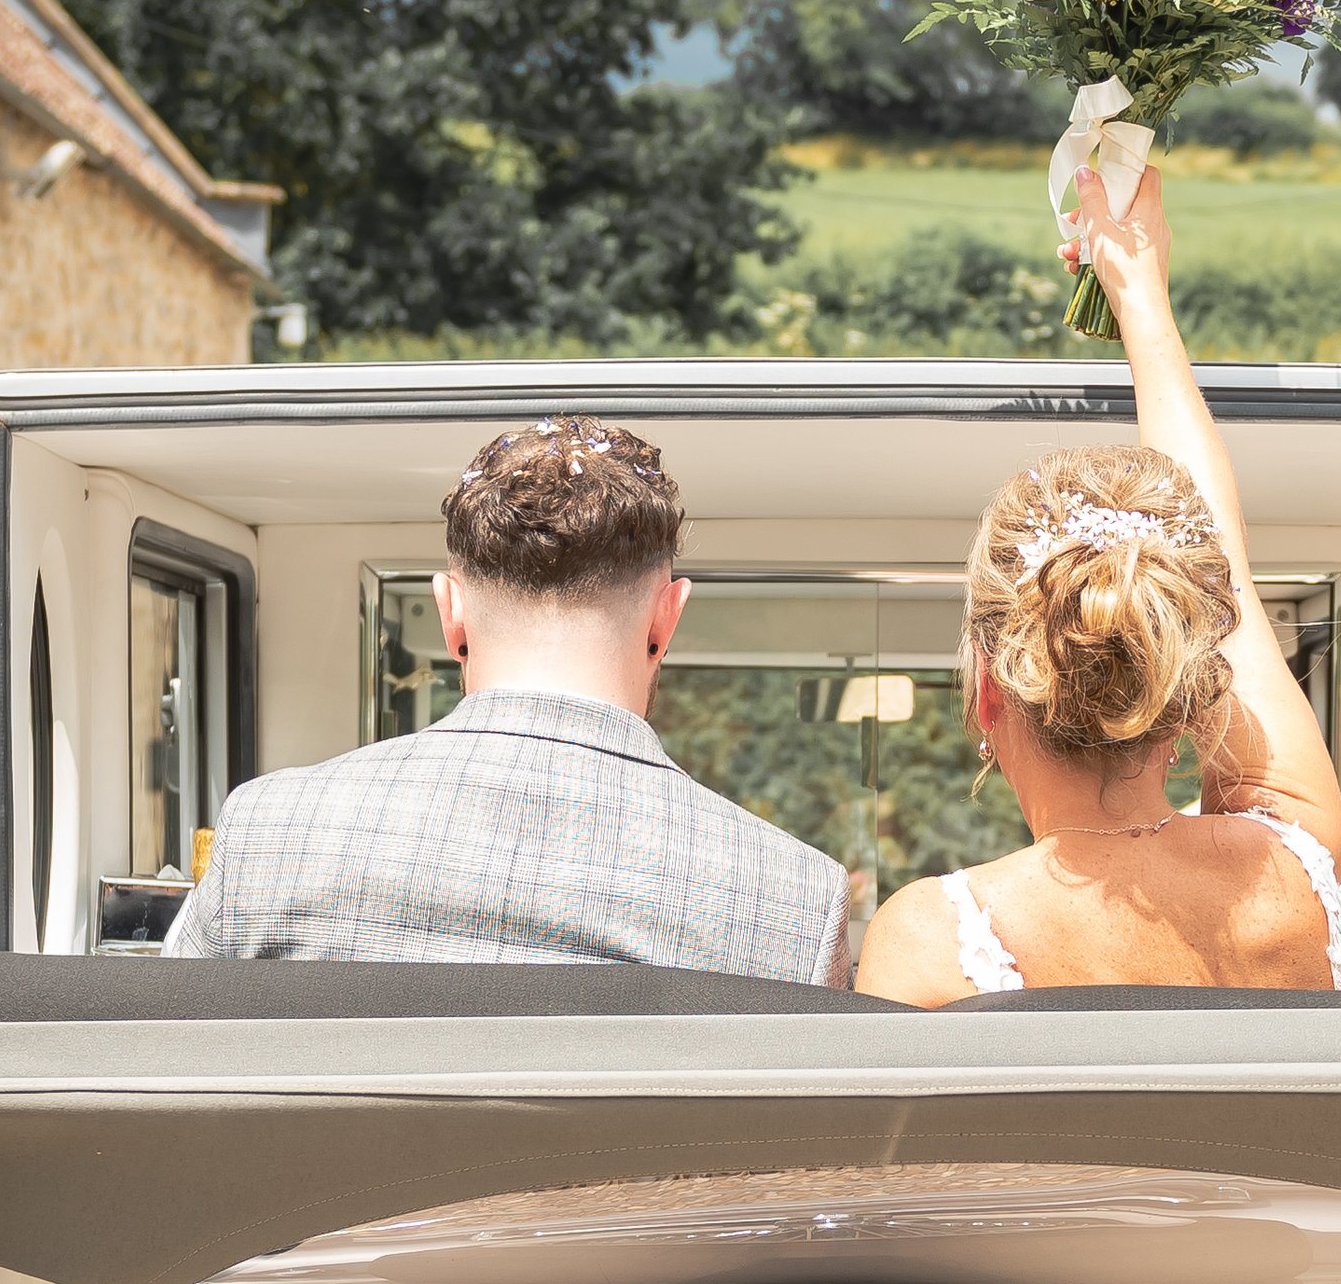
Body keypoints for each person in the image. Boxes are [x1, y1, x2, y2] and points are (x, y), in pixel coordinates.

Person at [855, 165, 1341, 1004]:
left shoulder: (932, 940)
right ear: (1192, 689)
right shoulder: (1292, 864)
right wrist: (1141, 291)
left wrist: (1134, 283)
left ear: (985, 695)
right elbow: (1217, 548)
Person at [164, 415, 849, 979]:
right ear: (666, 619)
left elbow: (167, 1081)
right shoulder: (792, 901)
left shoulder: (271, 831)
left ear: (449, 613)